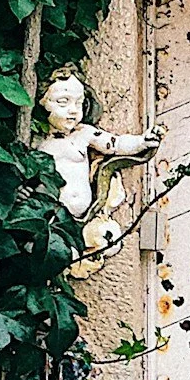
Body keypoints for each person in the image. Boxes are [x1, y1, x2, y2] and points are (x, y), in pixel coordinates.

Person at [36, 71, 161, 255]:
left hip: (87, 217)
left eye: (78, 103)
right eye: (63, 102)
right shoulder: (37, 142)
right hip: (51, 218)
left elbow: (116, 144)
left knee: (107, 242)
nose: (73, 110)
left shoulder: (83, 134)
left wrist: (142, 142)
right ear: (42, 102)